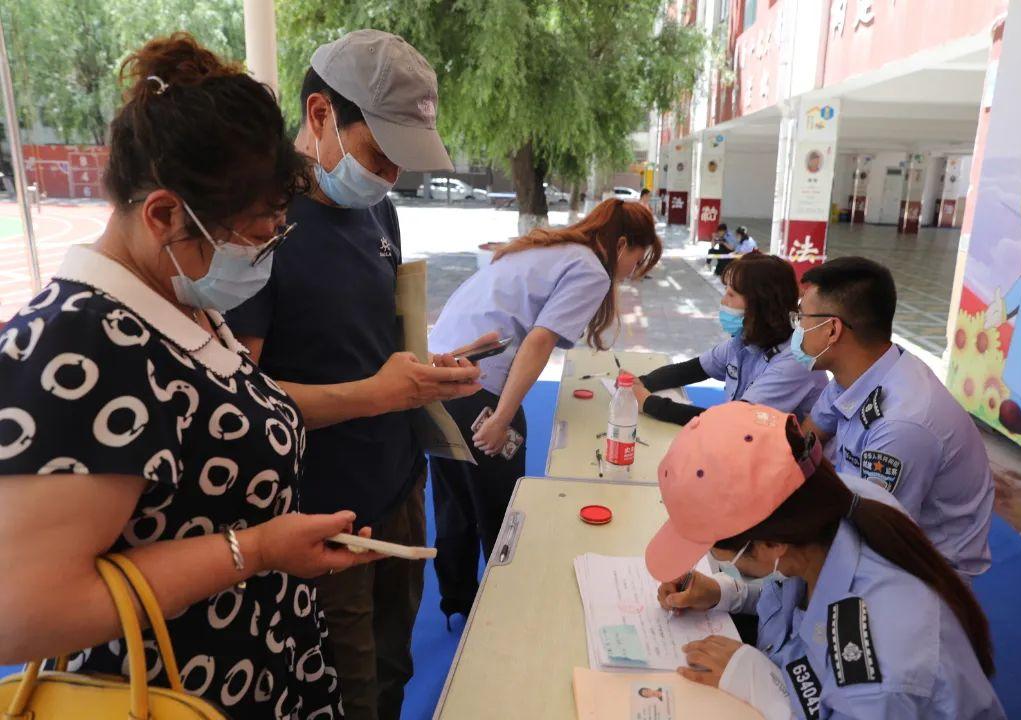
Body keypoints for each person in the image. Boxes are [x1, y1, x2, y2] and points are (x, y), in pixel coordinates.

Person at [0, 34, 386, 718]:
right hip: (169, 691)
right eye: (260, 226)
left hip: (256, 661)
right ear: (165, 215)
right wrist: (255, 548)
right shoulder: (79, 341)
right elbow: (24, 611)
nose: (268, 245)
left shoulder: (176, 298)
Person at [227, 30, 488, 720]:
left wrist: (426, 374)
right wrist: (376, 394)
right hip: (321, 514)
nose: (392, 177)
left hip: (399, 483)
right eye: (381, 155)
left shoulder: (378, 209)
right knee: (349, 694)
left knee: (394, 670)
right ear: (319, 116)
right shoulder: (259, 225)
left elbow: (376, 343)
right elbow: (237, 402)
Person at [649, 403, 1004, 719]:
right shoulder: (821, 507)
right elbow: (795, 598)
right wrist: (729, 593)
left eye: (713, 550)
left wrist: (764, 688)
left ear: (772, 545)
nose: (713, 559)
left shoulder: (880, 670)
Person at [427, 198, 662, 618]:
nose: (631, 272)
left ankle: (457, 599)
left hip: (438, 374)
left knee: (454, 496)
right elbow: (538, 341)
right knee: (501, 504)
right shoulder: (590, 267)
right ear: (622, 243)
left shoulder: (548, 247)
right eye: (637, 259)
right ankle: (504, 605)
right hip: (475, 383)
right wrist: (500, 418)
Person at [792, 256, 993, 580]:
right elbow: (806, 440)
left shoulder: (903, 424)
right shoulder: (858, 371)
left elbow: (873, 536)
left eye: (801, 317)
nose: (796, 328)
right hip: (862, 516)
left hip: (923, 573)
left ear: (832, 329)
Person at [632, 254, 827, 425]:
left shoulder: (794, 361)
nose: (723, 301)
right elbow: (691, 369)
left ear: (760, 305)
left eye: (731, 294)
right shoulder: (744, 342)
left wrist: (649, 404)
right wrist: (641, 383)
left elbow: (734, 421)